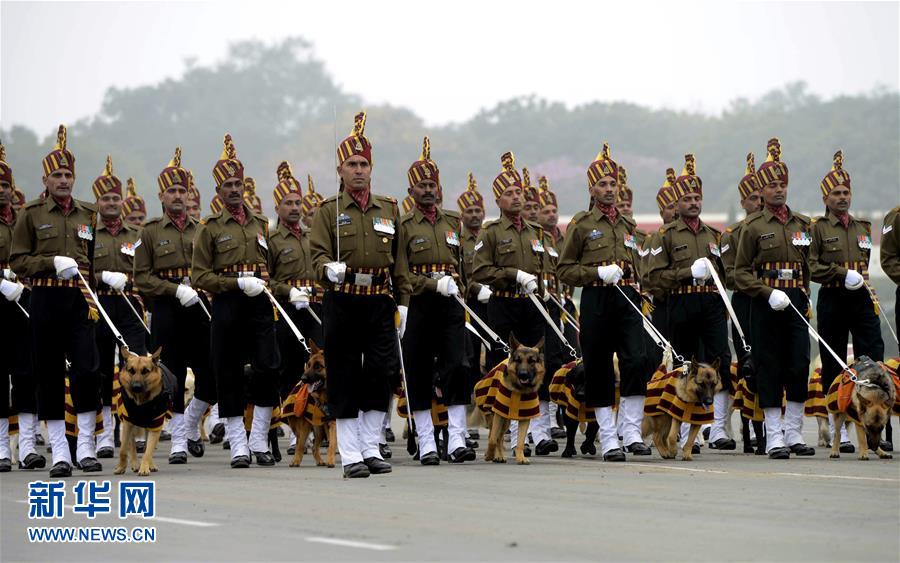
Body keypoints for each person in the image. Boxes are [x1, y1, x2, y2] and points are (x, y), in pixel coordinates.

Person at [309, 112, 401, 478]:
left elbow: (401, 260)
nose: (359, 170)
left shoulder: (390, 209)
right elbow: (315, 253)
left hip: (379, 299)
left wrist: (404, 302)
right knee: (345, 375)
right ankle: (350, 455)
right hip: (343, 300)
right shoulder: (328, 211)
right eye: (352, 164)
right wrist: (325, 269)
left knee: (381, 373)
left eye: (364, 164)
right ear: (340, 170)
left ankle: (371, 446)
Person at [10, 125, 102, 477]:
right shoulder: (31, 214)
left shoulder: (86, 214)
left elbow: (89, 258)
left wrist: (90, 294)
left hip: (78, 300)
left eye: (68, 174)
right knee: (47, 374)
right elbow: (18, 260)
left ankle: (86, 449)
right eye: (57, 175)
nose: (63, 180)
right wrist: (50, 263)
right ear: (45, 179)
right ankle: (61, 452)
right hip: (45, 299)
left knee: (87, 370)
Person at [193, 135, 281, 468]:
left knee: (268, 367)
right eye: (227, 184)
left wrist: (262, 282)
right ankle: (238, 443)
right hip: (227, 305)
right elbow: (200, 275)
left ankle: (259, 436)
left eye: (238, 183)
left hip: (259, 304)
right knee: (227, 372)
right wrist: (234, 283)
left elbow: (268, 266)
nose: (234, 189)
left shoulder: (260, 223)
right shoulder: (209, 228)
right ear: (218, 191)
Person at [557, 143, 647, 461]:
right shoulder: (581, 225)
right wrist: (596, 271)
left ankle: (631, 429)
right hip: (596, 299)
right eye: (603, 184)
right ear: (592, 188)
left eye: (613, 184)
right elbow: (564, 270)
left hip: (627, 299)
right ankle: (608, 437)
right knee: (598, 368)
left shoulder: (629, 227)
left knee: (637, 359)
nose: (609, 190)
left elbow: (640, 262)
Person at [734, 138, 815, 459]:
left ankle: (794, 431)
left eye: (783, 184)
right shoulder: (752, 227)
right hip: (765, 301)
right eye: (772, 186)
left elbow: (806, 264)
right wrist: (767, 293)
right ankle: (774, 436)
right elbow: (740, 273)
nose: (779, 190)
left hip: (794, 300)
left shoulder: (802, 224)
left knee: (798, 363)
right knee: (769, 366)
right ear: (762, 191)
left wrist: (803, 293)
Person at [395, 137, 473, 464]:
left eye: (433, 184)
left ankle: (456, 438)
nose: (429, 190)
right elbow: (400, 272)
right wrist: (429, 284)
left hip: (451, 304)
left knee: (458, 366)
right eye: (422, 185)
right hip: (420, 304)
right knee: (419, 371)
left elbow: (463, 263)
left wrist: (462, 287)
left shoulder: (453, 221)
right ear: (411, 191)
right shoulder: (403, 225)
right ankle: (426, 440)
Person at [647, 154, 733, 450]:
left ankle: (717, 427)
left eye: (697, 197)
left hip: (710, 305)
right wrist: (686, 273)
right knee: (684, 365)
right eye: (687, 198)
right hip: (681, 304)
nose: (693, 202)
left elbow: (726, 275)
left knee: (721, 358)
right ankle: (681, 431)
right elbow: (654, 278)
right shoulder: (665, 236)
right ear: (677, 202)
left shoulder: (713, 235)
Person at [809, 150, 884, 450]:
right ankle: (838, 427)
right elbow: (812, 266)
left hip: (861, 297)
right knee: (834, 362)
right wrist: (840, 274)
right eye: (836, 193)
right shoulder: (817, 228)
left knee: (872, 356)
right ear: (826, 198)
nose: (842, 197)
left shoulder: (863, 227)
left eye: (846, 192)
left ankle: (875, 423)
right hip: (833, 297)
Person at [89, 156, 147, 459]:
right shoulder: (87, 232)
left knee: (136, 366)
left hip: (128, 305)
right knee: (99, 369)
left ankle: (135, 425)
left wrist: (132, 279)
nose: (111, 203)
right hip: (98, 305)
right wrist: (100, 277)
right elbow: (80, 268)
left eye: (115, 197)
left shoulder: (134, 235)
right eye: (105, 198)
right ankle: (104, 433)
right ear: (97, 201)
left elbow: (145, 268)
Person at [268, 161, 324, 453]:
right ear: (277, 207)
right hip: (287, 312)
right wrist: (288, 291)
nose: (294, 207)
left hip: (314, 308)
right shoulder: (272, 239)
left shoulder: (314, 236)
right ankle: (293, 429)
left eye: (297, 202)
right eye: (288, 203)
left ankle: (317, 425)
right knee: (290, 370)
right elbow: (268, 279)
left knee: (318, 366)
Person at [0, 141, 39, 472]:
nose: (2, 191)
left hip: (25, 301)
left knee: (27, 374)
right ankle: (1, 447)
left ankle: (27, 445)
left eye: (5, 185)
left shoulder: (23, 221)